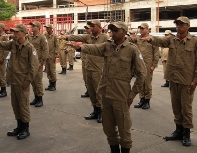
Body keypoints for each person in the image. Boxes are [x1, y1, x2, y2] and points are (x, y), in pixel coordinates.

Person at [68, 21, 146, 153]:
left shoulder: (132, 49)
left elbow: (142, 73)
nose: (113, 33)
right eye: (111, 30)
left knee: (124, 129)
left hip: (121, 95)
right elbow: (95, 48)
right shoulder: (108, 45)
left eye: (116, 30)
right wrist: (79, 47)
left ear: (125, 32)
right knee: (108, 128)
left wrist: (132, 94)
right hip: (105, 93)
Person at [142, 16, 196, 147]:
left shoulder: (194, 41)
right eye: (177, 24)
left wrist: (195, 81)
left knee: (186, 108)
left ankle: (186, 134)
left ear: (188, 26)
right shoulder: (172, 39)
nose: (179, 27)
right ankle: (178, 131)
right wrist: (150, 38)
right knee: (176, 106)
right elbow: (160, 41)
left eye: (182, 25)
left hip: (186, 80)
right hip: (173, 78)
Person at [0, 24, 38, 140]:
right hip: (14, 80)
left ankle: (25, 129)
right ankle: (19, 127)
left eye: (17, 32)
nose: (14, 34)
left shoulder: (29, 48)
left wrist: (27, 83)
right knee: (15, 105)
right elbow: (1, 45)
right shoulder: (13, 44)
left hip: (23, 82)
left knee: (23, 106)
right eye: (14, 32)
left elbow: (33, 68)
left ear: (23, 33)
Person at [60, 19, 108, 123]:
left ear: (99, 28)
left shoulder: (105, 38)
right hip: (88, 67)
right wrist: (67, 36)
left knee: (99, 91)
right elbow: (78, 37)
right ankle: (95, 110)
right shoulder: (87, 36)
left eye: (93, 26)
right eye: (90, 26)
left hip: (98, 68)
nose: (91, 28)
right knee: (91, 91)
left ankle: (101, 112)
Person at [129, 23, 159, 110]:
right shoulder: (137, 39)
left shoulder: (152, 39)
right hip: (139, 64)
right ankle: (142, 99)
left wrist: (153, 65)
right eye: (140, 28)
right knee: (140, 82)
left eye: (143, 28)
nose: (141, 30)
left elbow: (156, 54)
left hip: (148, 64)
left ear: (147, 29)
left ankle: (147, 101)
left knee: (147, 83)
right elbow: (129, 40)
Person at [27, 21, 49, 107]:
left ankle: (40, 99)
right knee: (32, 81)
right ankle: (36, 97)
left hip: (38, 62)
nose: (32, 27)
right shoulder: (29, 36)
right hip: (30, 62)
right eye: (31, 26)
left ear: (38, 27)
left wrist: (42, 63)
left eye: (34, 26)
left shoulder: (42, 37)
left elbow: (45, 50)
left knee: (38, 81)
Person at [44, 24, 59, 91]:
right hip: (46, 55)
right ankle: (50, 84)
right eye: (46, 28)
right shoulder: (45, 35)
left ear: (51, 28)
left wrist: (55, 55)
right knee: (48, 70)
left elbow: (57, 46)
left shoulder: (55, 36)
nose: (46, 29)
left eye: (47, 28)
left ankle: (53, 85)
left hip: (52, 55)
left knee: (52, 70)